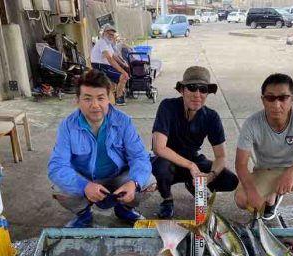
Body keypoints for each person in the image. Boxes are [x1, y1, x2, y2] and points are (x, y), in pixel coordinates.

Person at [48, 69, 156, 227]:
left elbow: (139, 157)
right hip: (85, 178)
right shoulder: (68, 125)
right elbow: (56, 166)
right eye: (87, 98)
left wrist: (133, 183)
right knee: (59, 188)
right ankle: (83, 215)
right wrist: (83, 186)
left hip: (118, 177)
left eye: (100, 98)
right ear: (77, 100)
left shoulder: (123, 121)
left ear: (109, 99)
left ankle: (124, 208)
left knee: (147, 182)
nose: (95, 105)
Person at [235, 73, 293, 228]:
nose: (276, 104)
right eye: (270, 98)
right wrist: (252, 192)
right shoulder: (252, 123)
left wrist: (292, 171)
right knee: (242, 199)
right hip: (266, 170)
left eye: (283, 98)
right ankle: (271, 198)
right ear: (263, 100)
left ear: (292, 99)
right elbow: (241, 164)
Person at [151, 66, 239, 219]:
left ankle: (193, 184)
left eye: (203, 89)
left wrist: (210, 176)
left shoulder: (212, 117)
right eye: (192, 88)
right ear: (182, 90)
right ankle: (167, 200)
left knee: (230, 180)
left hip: (194, 159)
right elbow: (159, 148)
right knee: (161, 167)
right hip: (168, 160)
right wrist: (191, 166)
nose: (197, 94)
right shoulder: (167, 106)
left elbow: (221, 156)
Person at [90, 24, 129, 106]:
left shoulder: (108, 44)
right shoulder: (102, 43)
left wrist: (124, 64)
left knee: (124, 74)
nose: (111, 36)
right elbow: (110, 59)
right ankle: (118, 98)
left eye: (112, 35)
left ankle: (118, 93)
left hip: (106, 66)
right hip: (100, 66)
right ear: (104, 34)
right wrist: (122, 71)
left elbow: (114, 56)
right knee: (123, 76)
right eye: (109, 34)